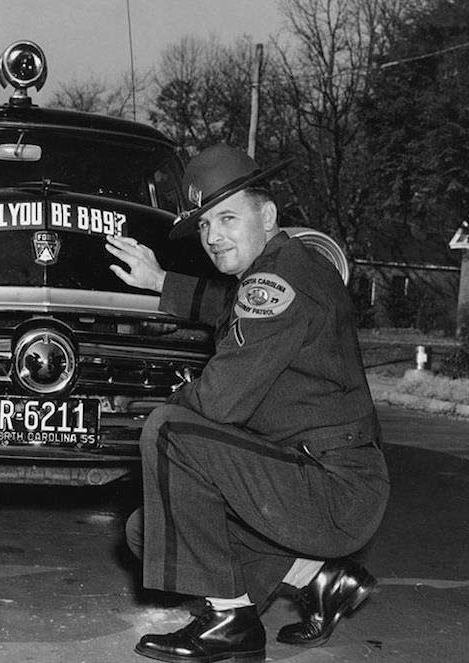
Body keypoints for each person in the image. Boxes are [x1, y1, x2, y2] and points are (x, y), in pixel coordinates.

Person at [104, 144, 389, 663]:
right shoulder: (289, 267)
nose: (213, 238)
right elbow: (228, 309)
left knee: (171, 431)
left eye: (228, 218)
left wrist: (161, 406)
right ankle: (320, 579)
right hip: (309, 480)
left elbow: (219, 402)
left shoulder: (276, 279)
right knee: (147, 532)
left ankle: (230, 619)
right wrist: (160, 280)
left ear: (268, 214)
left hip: (329, 488)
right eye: (206, 225)